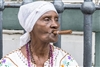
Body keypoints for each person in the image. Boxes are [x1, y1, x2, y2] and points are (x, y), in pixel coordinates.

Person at [0, 1, 79, 67]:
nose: (55, 25)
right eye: (47, 19)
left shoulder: (65, 61)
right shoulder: (11, 63)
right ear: (31, 25)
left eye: (56, 19)